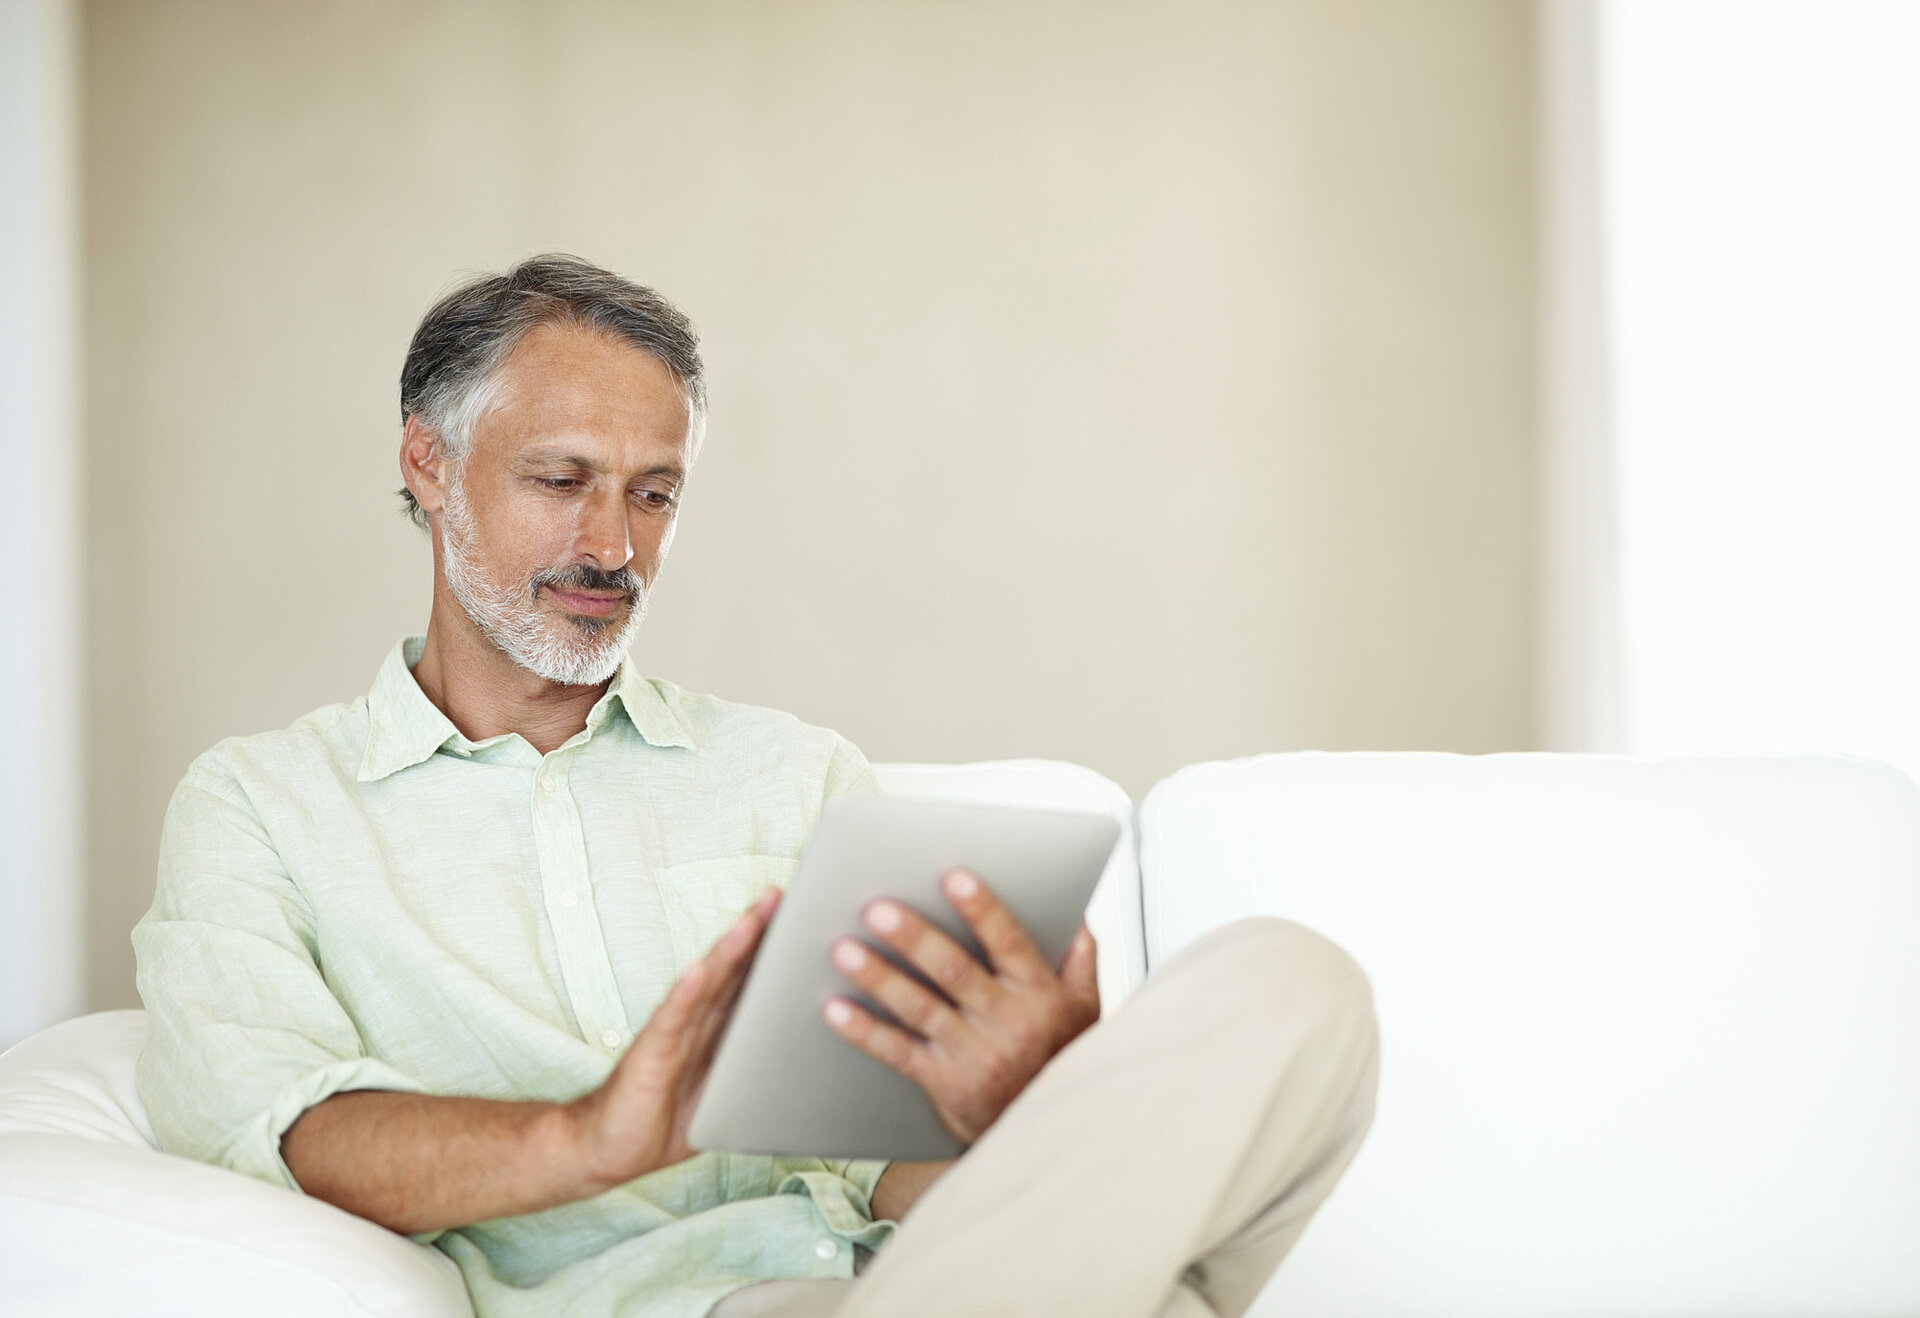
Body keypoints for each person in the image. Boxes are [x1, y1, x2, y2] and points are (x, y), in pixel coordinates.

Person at [134, 254, 1380, 1318]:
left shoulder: (795, 775)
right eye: (562, 481)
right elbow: (273, 1125)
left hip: (902, 1283)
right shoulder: (264, 807)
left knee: (1293, 986)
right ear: (428, 465)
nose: (614, 547)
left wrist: (1026, 1115)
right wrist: (588, 1137)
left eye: (654, 492)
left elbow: (885, 1179)